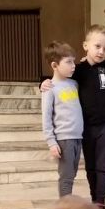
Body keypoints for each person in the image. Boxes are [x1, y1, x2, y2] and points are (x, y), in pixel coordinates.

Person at [72, 25, 105, 209]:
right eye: (97, 46)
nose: (101, 51)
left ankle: (100, 200)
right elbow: (59, 75)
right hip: (85, 126)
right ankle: (94, 196)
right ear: (86, 45)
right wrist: (44, 83)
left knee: (103, 165)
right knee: (90, 165)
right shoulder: (78, 70)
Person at [42, 41, 83, 198]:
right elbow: (46, 117)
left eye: (74, 61)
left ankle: (67, 202)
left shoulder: (74, 84)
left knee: (72, 173)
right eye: (68, 62)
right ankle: (65, 206)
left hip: (77, 138)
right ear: (55, 65)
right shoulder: (49, 88)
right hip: (64, 140)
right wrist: (51, 142)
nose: (73, 66)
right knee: (66, 176)